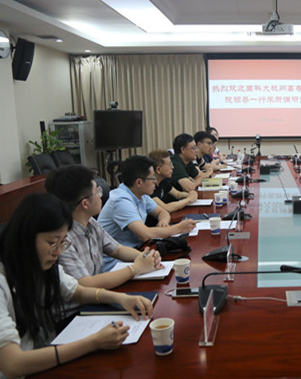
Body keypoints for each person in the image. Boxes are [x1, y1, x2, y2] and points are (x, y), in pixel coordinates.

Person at [0, 193, 153, 379]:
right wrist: (93, 342)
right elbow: (13, 364)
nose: (58, 252)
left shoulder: (40, 264)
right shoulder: (3, 280)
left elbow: (77, 291)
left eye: (62, 242)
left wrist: (121, 298)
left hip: (44, 362)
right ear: (26, 237)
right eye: (52, 243)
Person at [45, 165, 163, 297]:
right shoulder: (63, 239)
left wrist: (145, 258)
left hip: (97, 295)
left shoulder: (91, 222)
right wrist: (136, 268)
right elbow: (86, 284)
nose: (101, 196)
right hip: (81, 304)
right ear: (85, 204)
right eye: (97, 191)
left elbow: (117, 250)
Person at [98, 155, 196, 272]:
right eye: (152, 177)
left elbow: (162, 212)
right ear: (139, 182)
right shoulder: (121, 200)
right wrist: (179, 228)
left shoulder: (140, 194)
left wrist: (163, 221)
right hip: (116, 264)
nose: (155, 181)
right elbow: (145, 234)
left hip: (138, 252)